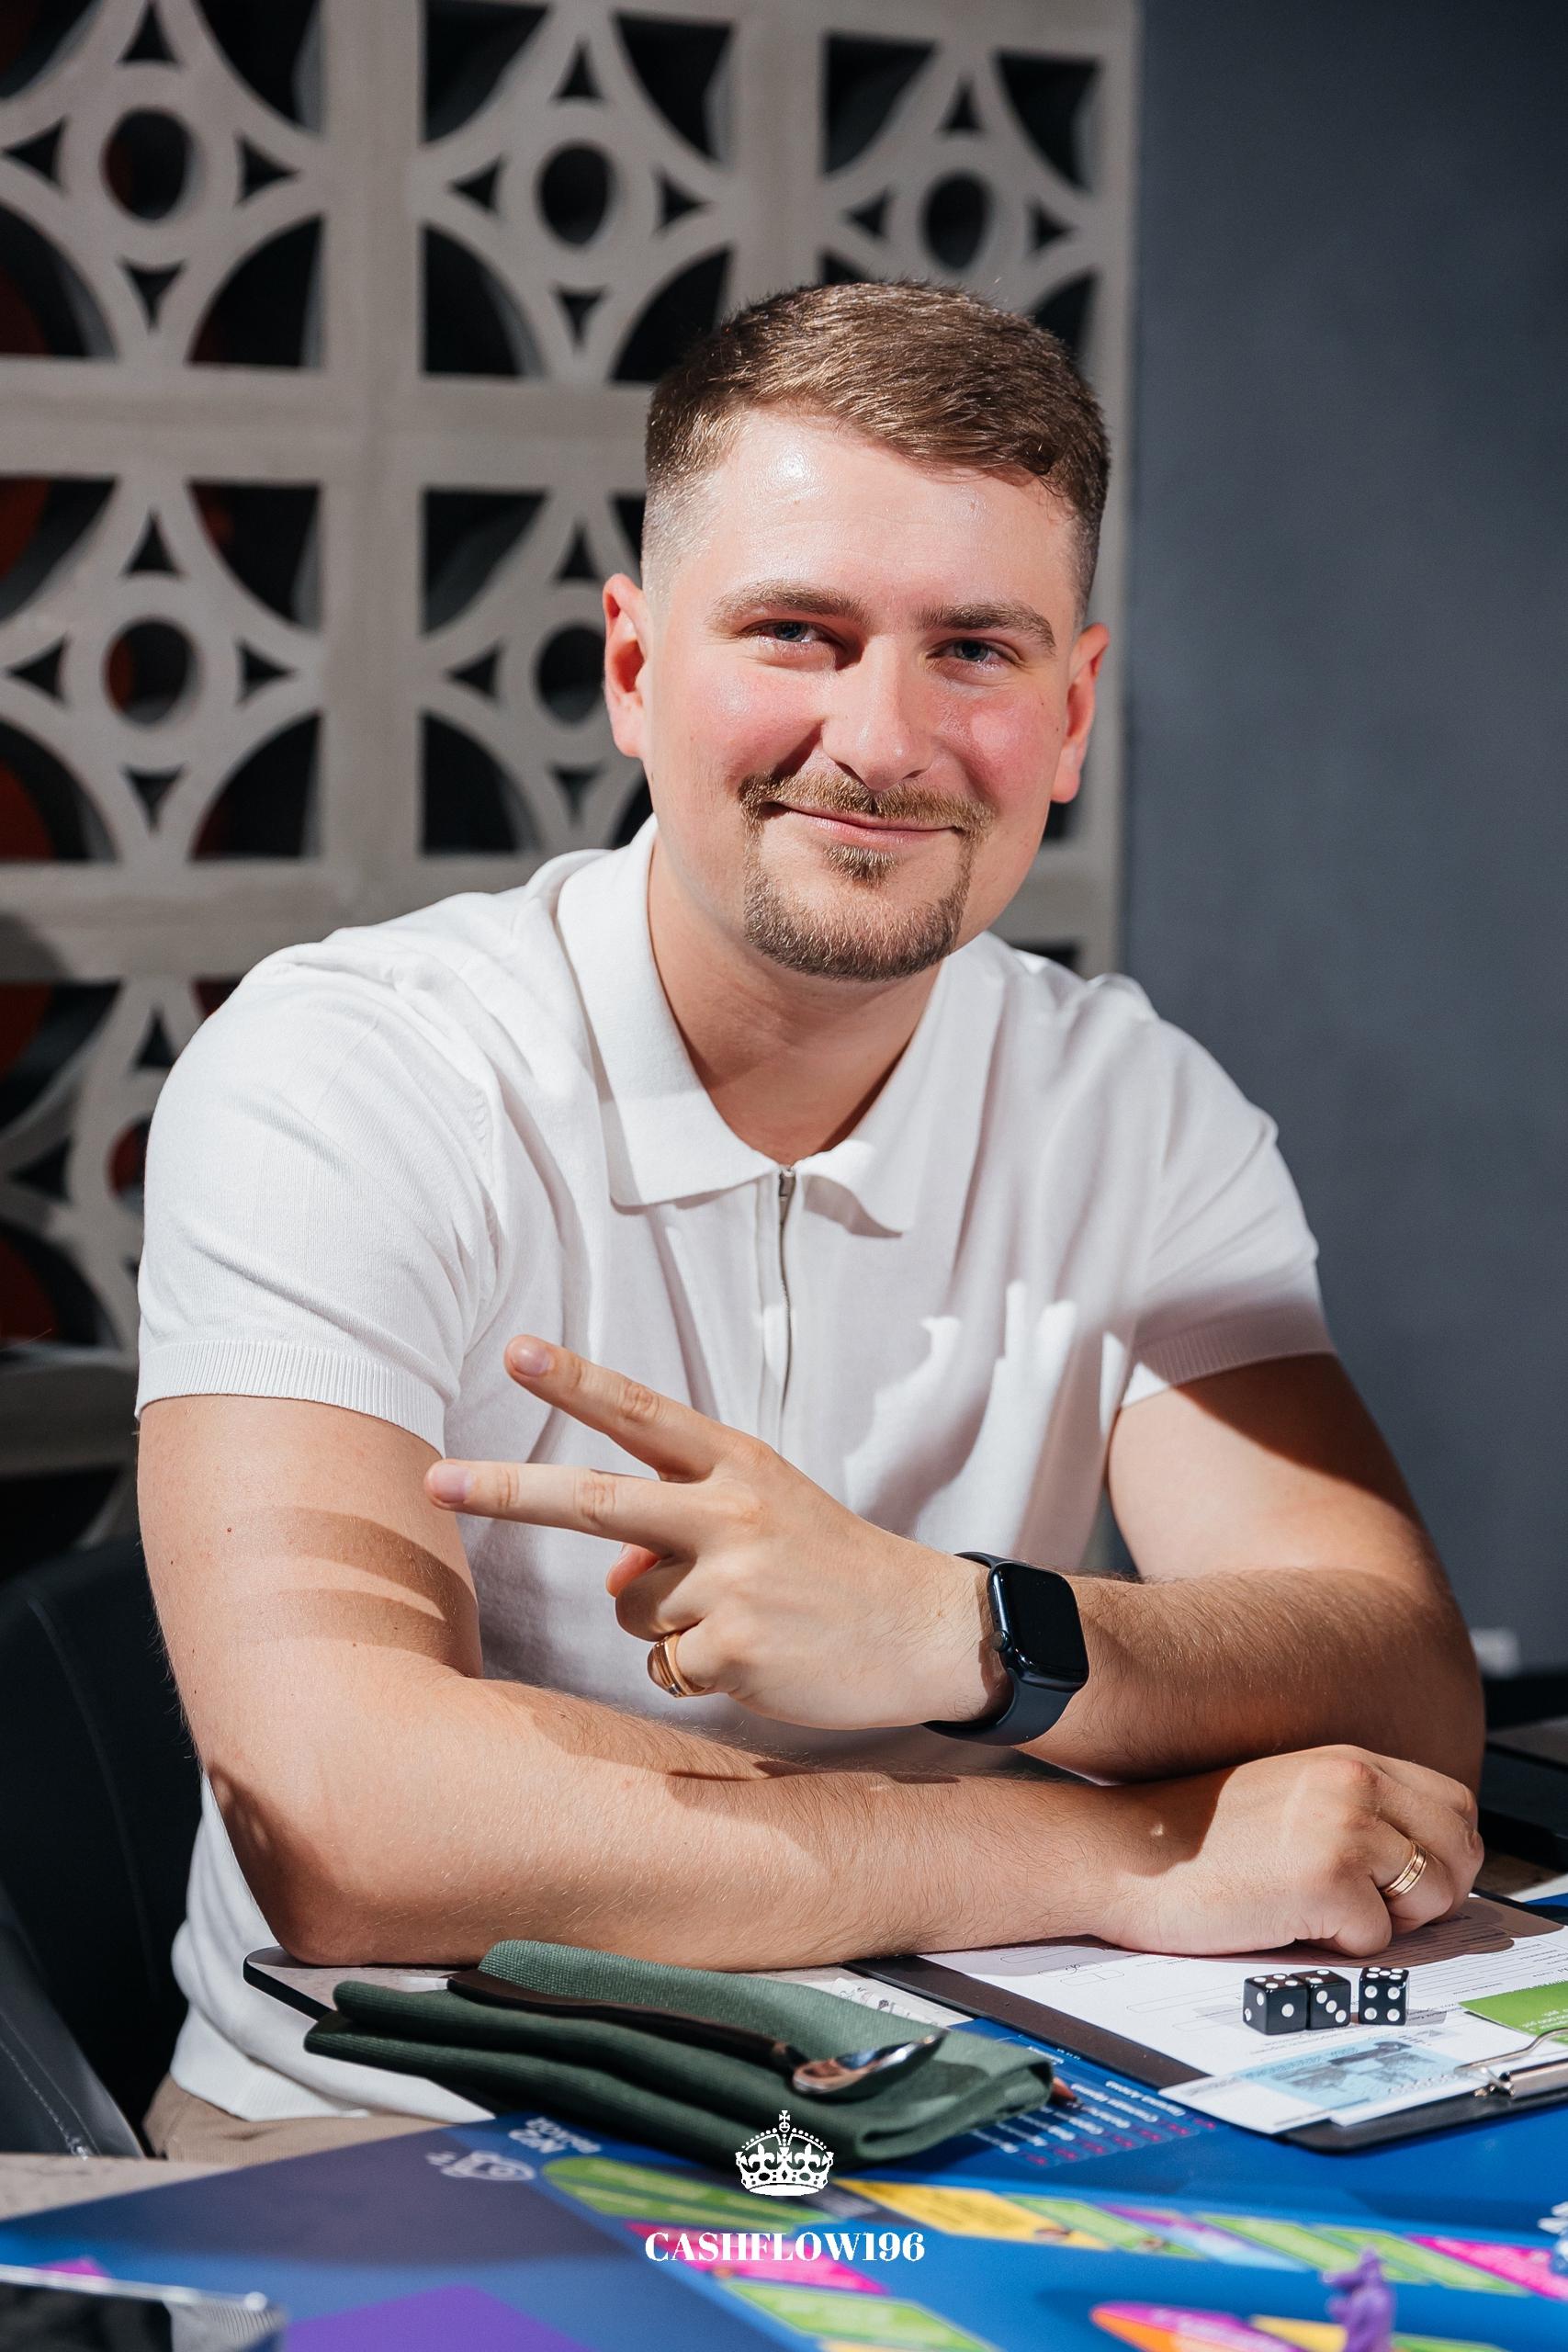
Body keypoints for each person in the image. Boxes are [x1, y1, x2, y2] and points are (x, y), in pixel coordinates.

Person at [136, 282, 1483, 2160]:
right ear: (632, 666)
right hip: (396, 2138)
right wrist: (1124, 1847)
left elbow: (1392, 1676)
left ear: (1072, 711)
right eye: (797, 633)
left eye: (973, 650)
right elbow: (349, 1830)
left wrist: (960, 1632)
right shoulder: (345, 1071)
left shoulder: (1134, 1102)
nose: (883, 737)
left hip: (975, 2125)